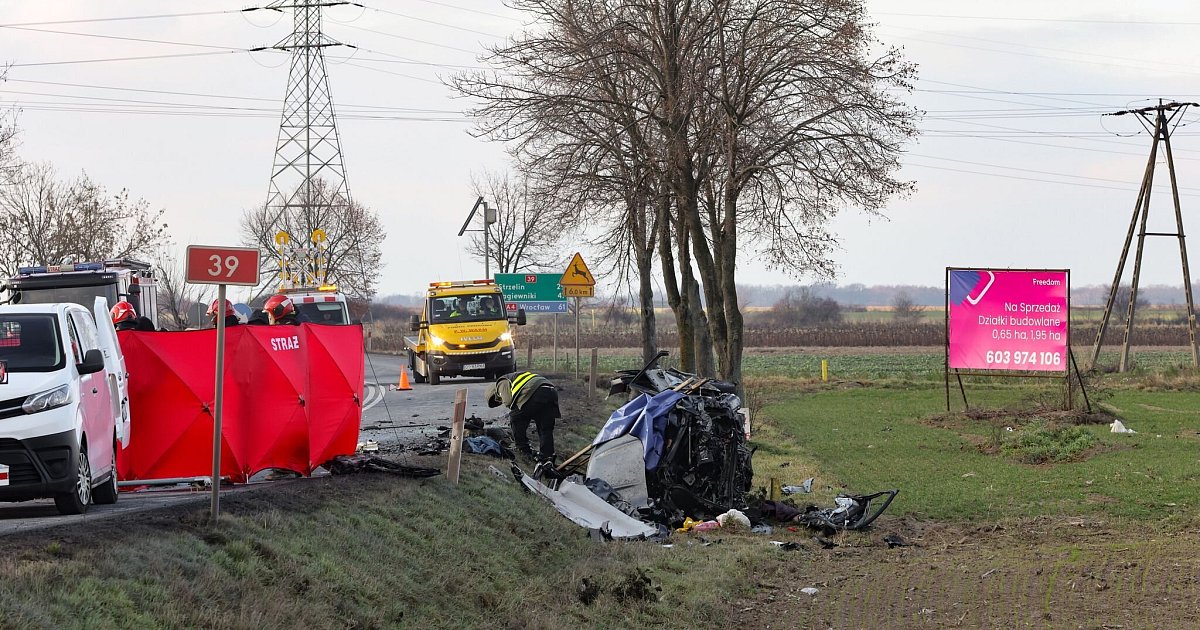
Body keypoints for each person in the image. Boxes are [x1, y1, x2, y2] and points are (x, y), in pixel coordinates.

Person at [487, 371, 560, 464]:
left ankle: (523, 449)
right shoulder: (514, 378)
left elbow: (509, 402)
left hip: (537, 391)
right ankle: (547, 458)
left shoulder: (501, 383)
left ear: (494, 393)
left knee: (515, 417)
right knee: (545, 429)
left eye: (497, 400)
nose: (500, 402)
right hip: (551, 391)